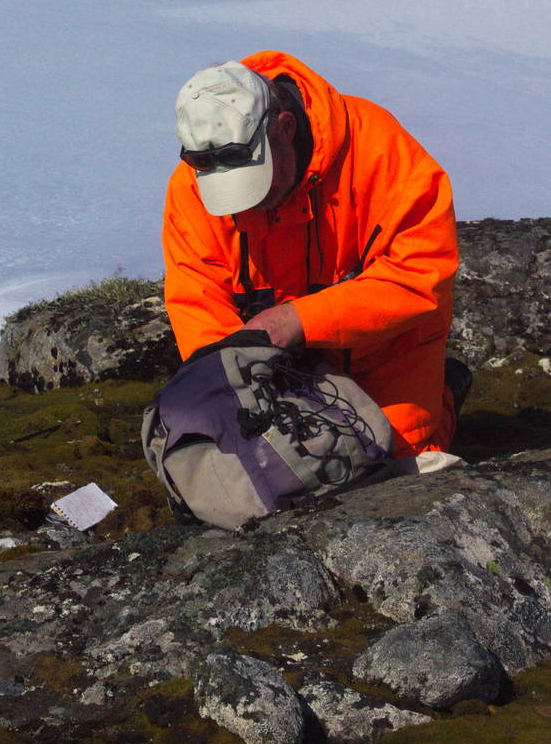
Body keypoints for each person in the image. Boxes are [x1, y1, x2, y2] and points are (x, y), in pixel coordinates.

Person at [161, 51, 459, 458]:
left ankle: (446, 394)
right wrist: (227, 375)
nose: (248, 205)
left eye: (258, 184)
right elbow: (195, 292)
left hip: (385, 350)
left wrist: (299, 320)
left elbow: (422, 271)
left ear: (285, 128)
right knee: (255, 464)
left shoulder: (378, 149)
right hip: (273, 366)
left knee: (398, 458)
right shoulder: (194, 182)